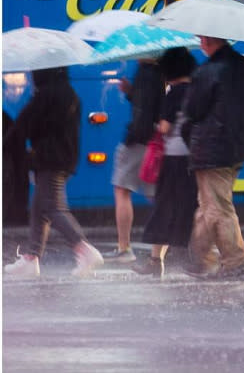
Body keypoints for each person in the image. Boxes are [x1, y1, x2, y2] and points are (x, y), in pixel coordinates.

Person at [3, 67, 104, 278]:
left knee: (52, 207)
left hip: (49, 158)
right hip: (63, 157)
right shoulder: (68, 93)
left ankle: (83, 248)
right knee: (39, 208)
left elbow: (24, 125)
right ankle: (31, 258)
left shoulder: (46, 95)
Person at [182, 36, 244, 281]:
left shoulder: (208, 71)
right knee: (208, 206)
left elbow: (192, 110)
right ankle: (198, 259)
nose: (200, 42)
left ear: (208, 40)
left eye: (202, 38)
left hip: (212, 148)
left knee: (218, 208)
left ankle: (236, 263)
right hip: (235, 146)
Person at [132, 48, 198, 278]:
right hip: (192, 159)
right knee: (189, 208)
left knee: (164, 209)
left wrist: (157, 122)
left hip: (173, 160)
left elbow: (166, 127)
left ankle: (156, 260)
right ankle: (186, 256)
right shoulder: (196, 90)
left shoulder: (175, 93)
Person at [103, 59, 163, 264]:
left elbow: (145, 112)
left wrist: (134, 137)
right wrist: (131, 93)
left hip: (140, 140)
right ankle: (169, 246)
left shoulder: (147, 72)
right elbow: (151, 104)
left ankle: (124, 247)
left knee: (122, 189)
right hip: (154, 140)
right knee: (157, 196)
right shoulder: (160, 70)